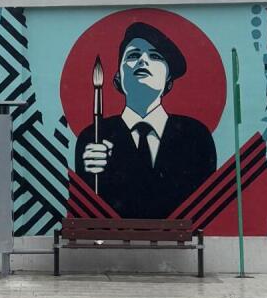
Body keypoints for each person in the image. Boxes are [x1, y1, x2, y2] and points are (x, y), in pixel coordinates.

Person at [74, 21, 217, 217]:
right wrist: (90, 172)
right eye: (133, 55)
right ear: (118, 76)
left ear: (168, 78)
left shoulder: (195, 136)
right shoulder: (94, 136)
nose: (142, 60)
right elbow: (89, 206)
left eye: (155, 56)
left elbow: (201, 202)